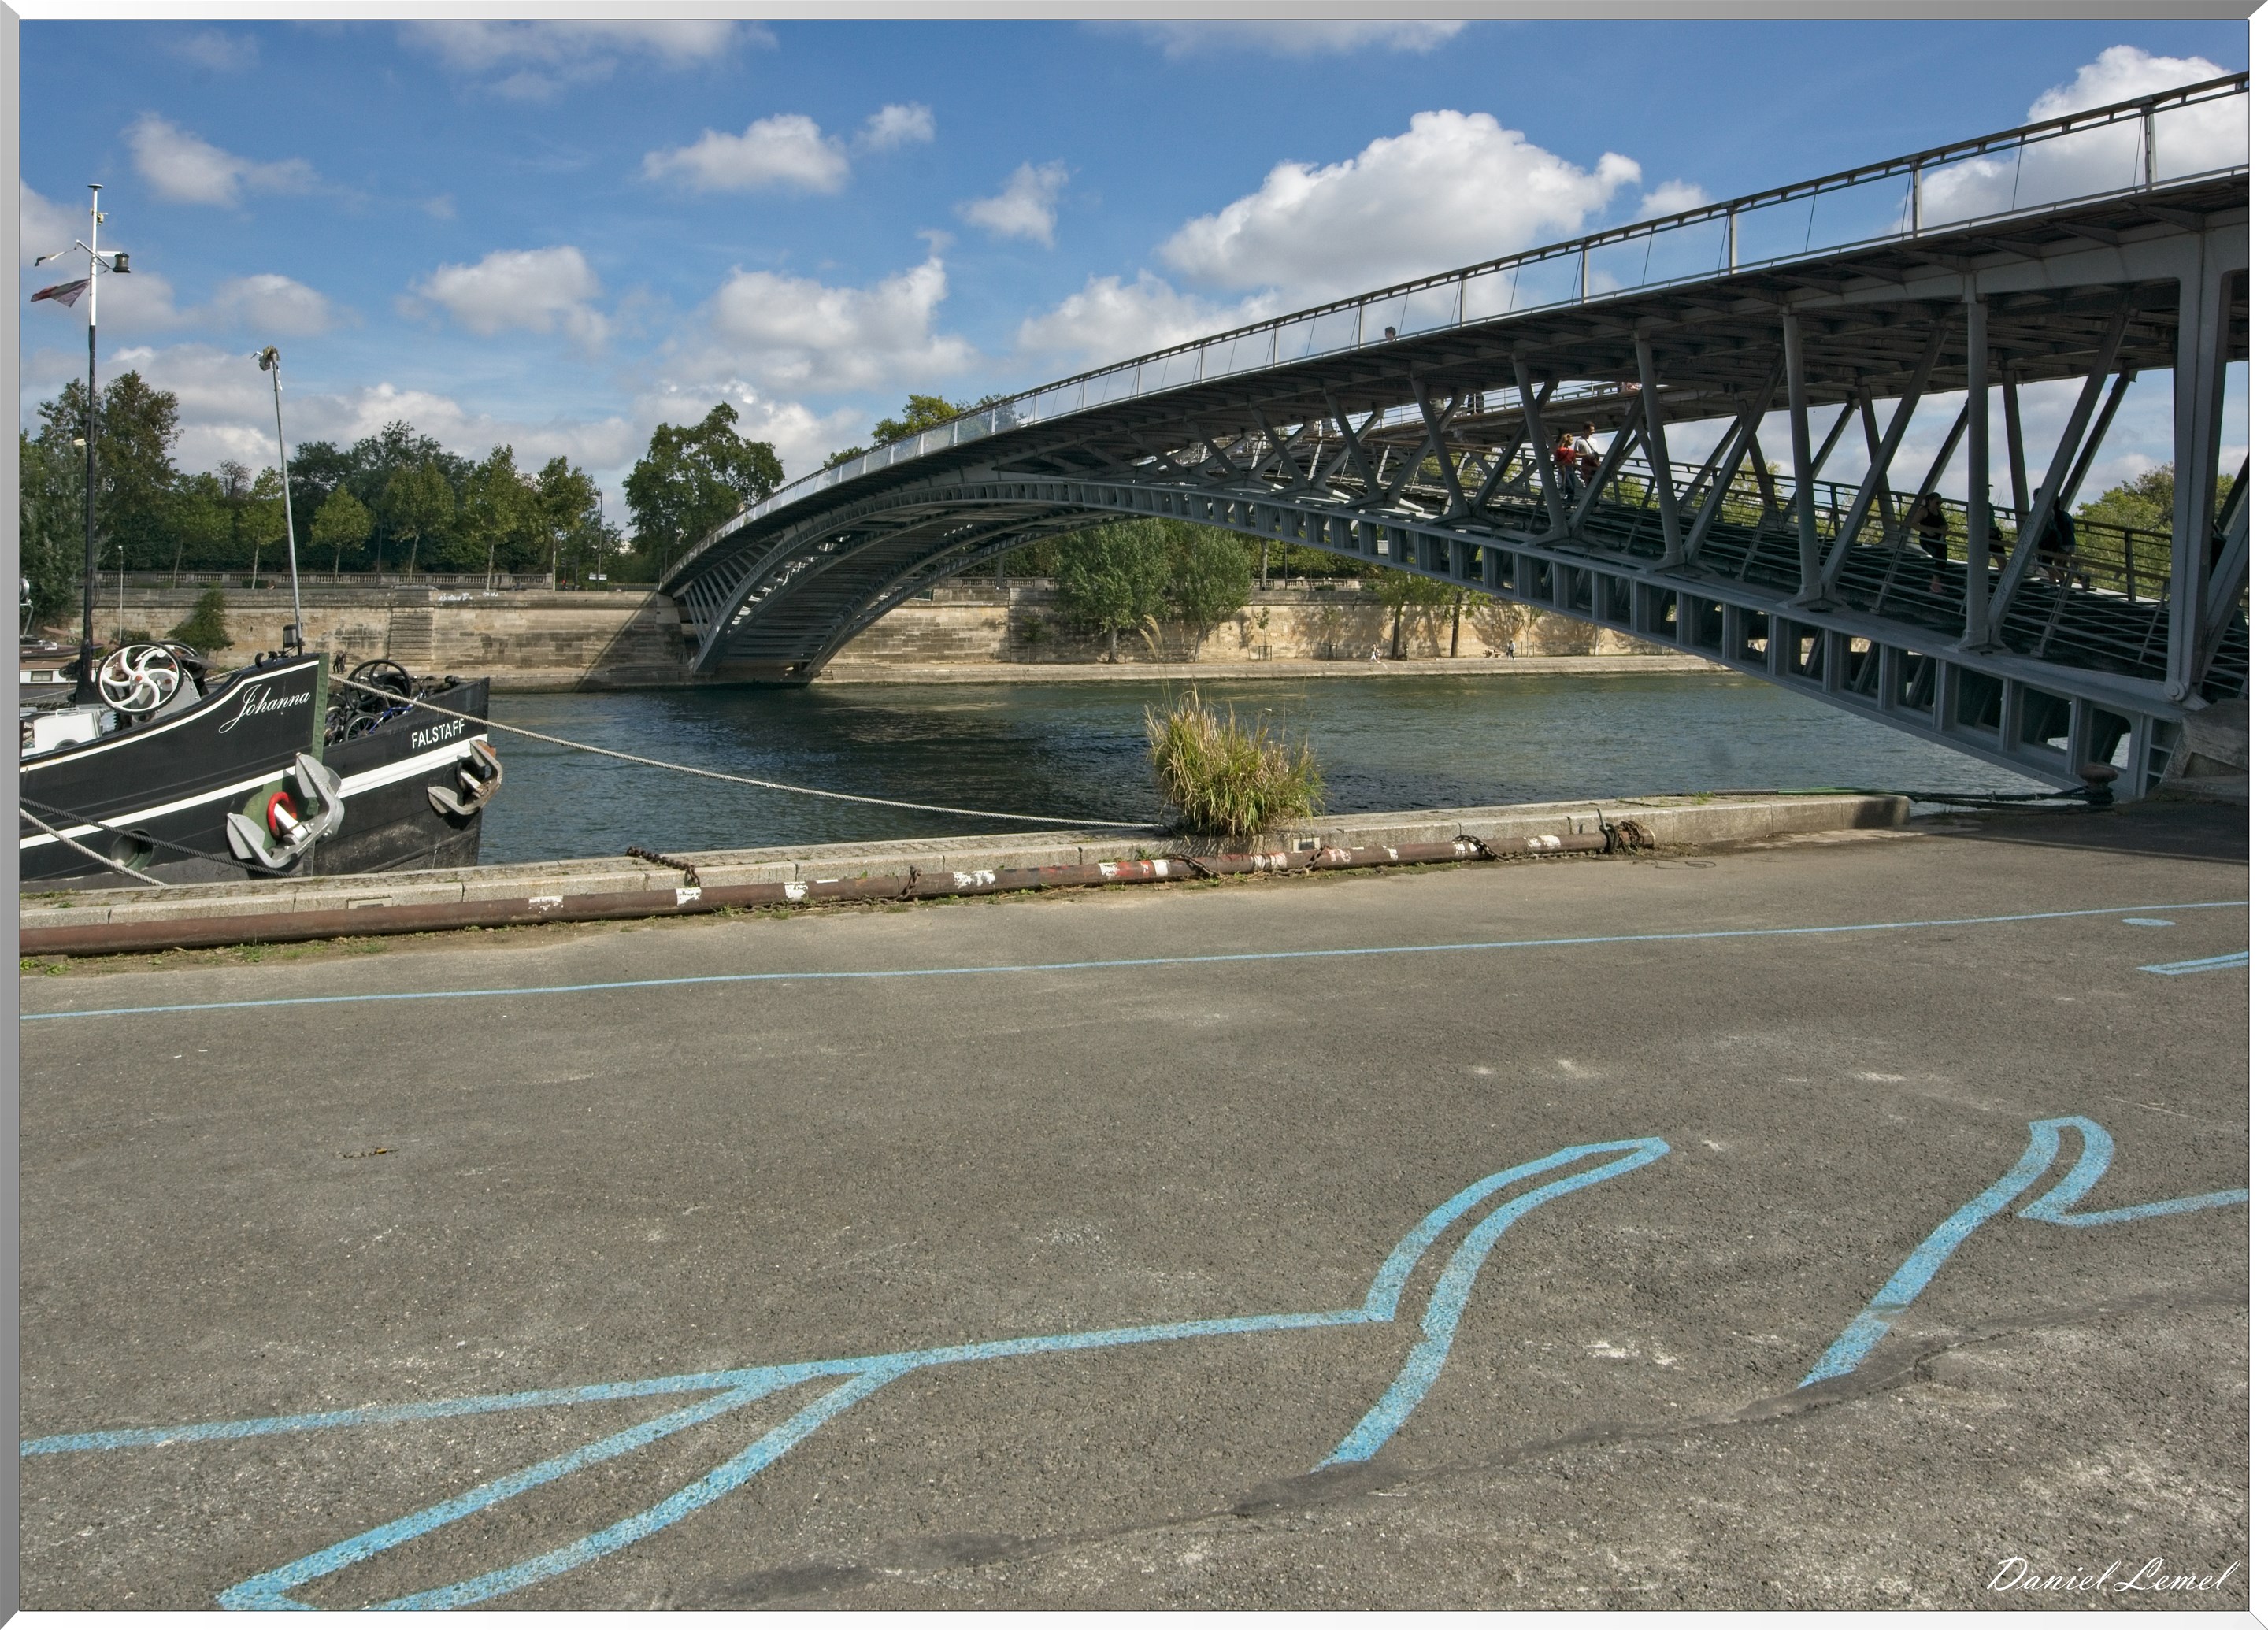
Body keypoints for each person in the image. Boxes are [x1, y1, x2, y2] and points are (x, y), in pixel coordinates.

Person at [1910, 492, 1948, 595]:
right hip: (1928, 539)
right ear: (1930, 501)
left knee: (1942, 559)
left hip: (1939, 539)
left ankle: (1936, 584)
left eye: (1940, 502)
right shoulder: (1924, 511)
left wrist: (1943, 529)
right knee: (1940, 558)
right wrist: (1926, 530)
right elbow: (1914, 524)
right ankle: (1935, 584)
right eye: (1937, 502)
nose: (1939, 504)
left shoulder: (1938, 511)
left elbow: (1944, 524)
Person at [1552, 432, 1580, 502]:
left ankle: (1569, 503)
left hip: (1570, 469)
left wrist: (1577, 467)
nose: (1573, 442)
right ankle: (1564, 501)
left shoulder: (1571, 451)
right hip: (1564, 469)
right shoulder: (1560, 450)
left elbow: (1574, 461)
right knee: (1568, 486)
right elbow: (1556, 459)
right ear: (1567, 441)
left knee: (1572, 487)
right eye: (1571, 440)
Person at [1577, 421, 1603, 487]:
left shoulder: (1594, 441)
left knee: (1597, 481)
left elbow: (1597, 452)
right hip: (1587, 464)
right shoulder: (1579, 441)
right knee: (1588, 482)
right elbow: (1576, 454)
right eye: (1592, 430)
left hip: (1595, 463)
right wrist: (1586, 455)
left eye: (1593, 430)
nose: (1593, 431)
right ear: (1586, 430)